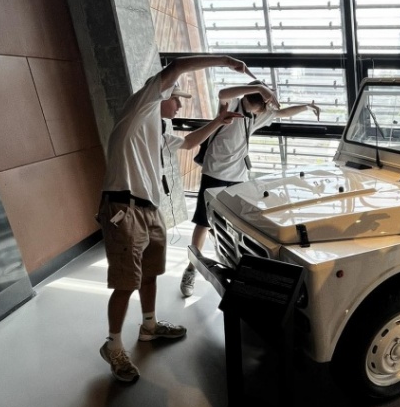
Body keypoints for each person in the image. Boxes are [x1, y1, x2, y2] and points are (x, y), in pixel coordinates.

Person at [99, 53, 250, 383]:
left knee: (150, 273)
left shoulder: (156, 129)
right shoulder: (141, 107)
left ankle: (149, 326)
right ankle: (113, 345)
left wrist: (218, 122)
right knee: (126, 282)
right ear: (162, 95)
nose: (180, 106)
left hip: (149, 209)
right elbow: (179, 66)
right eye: (177, 99)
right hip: (123, 209)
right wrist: (225, 61)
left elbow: (189, 142)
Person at [180, 82, 320, 297]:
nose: (265, 109)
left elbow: (282, 113)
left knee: (238, 224)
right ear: (254, 99)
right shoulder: (231, 105)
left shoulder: (257, 116)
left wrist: (307, 107)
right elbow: (222, 93)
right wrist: (258, 90)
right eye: (263, 103)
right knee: (203, 221)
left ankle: (235, 266)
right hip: (215, 172)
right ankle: (191, 269)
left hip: (239, 177)